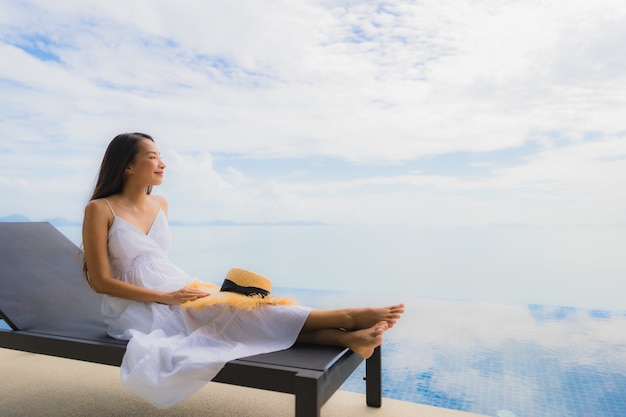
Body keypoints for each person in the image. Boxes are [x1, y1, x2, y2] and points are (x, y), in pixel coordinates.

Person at [82, 132, 404, 407]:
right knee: (236, 316)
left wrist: (178, 293)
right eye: (153, 157)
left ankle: (346, 338)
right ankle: (347, 318)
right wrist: (165, 298)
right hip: (136, 308)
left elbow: (158, 262)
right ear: (127, 165)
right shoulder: (100, 209)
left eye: (160, 156)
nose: (162, 163)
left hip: (177, 287)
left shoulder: (160, 204)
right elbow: (100, 281)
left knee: (246, 310)